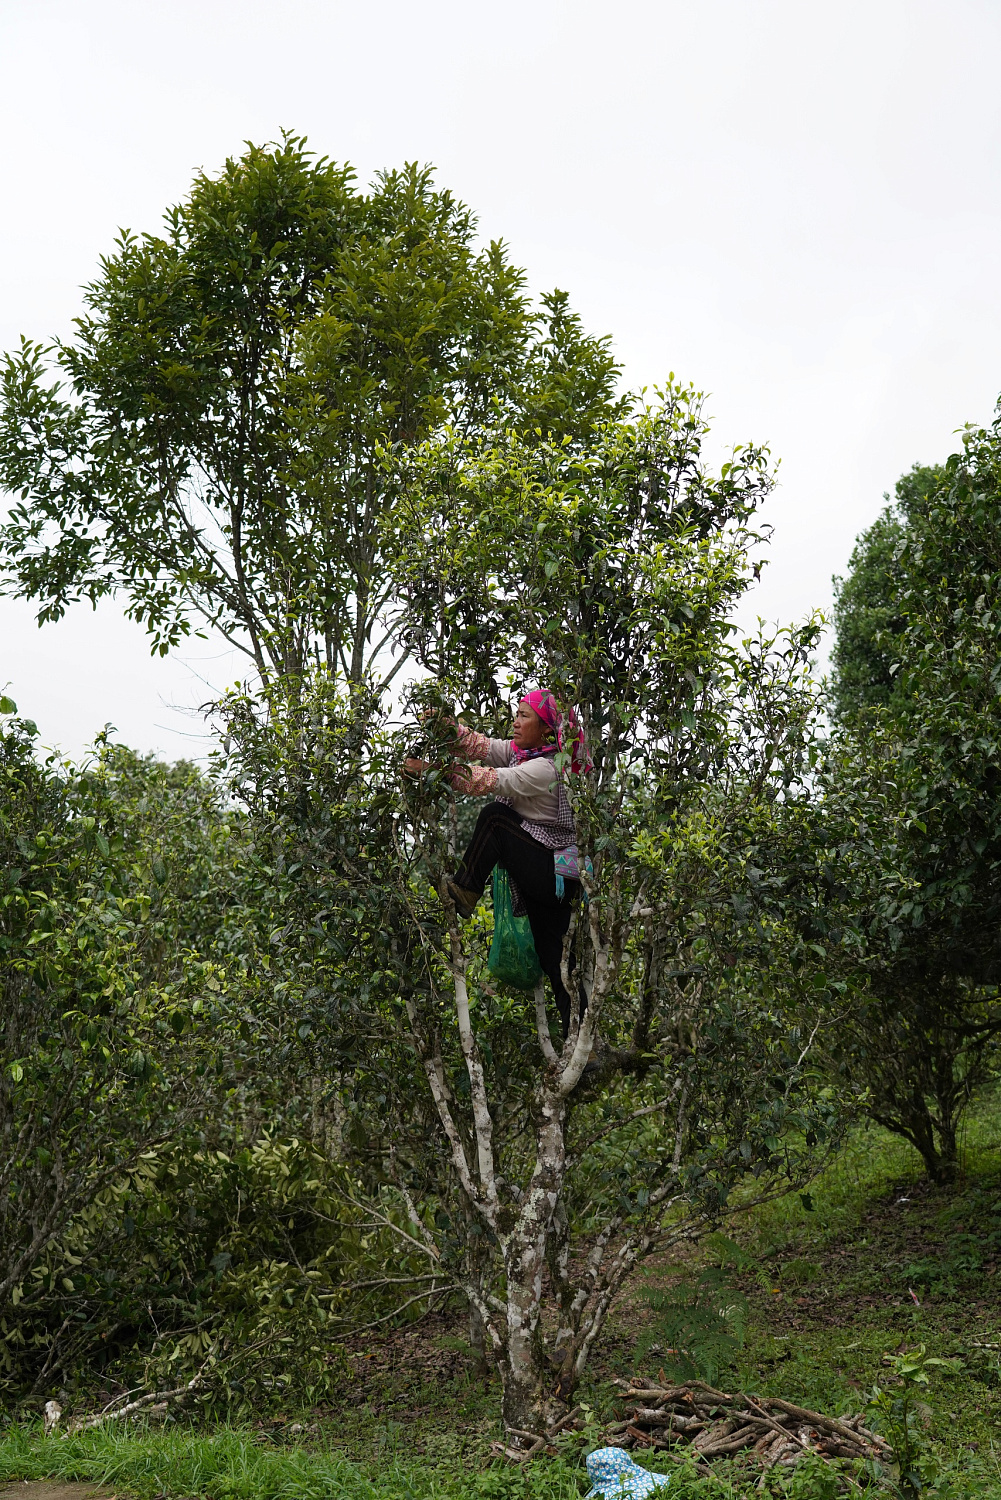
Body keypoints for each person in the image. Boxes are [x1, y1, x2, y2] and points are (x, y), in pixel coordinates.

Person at [404, 690, 591, 1040]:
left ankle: (466, 889)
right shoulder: (525, 754)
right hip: (553, 876)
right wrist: (445, 727)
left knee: (495, 818)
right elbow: (485, 747)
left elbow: (490, 780)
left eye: (525, 717)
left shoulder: (545, 767)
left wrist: (431, 771)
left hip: (549, 871)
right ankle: (582, 1046)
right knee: (558, 962)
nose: (516, 722)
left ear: (548, 731)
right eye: (516, 714)